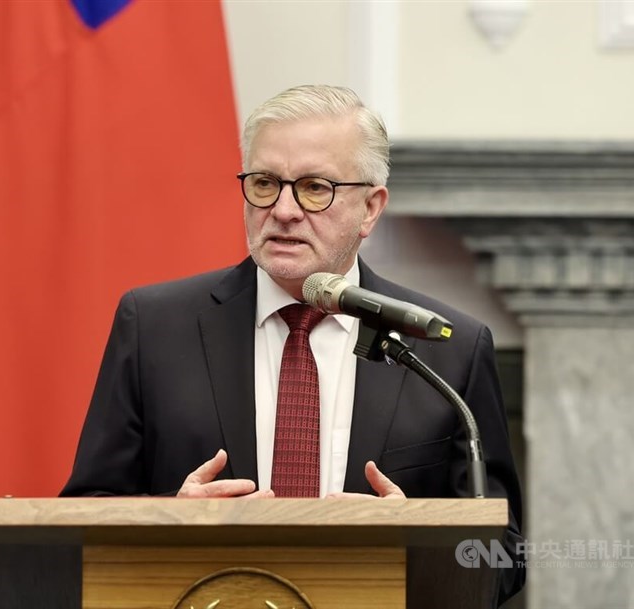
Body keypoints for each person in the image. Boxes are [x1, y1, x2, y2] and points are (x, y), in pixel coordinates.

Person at [61, 84, 525, 603]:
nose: (283, 210)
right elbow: (84, 515)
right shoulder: (154, 326)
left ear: (370, 207)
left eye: (314, 187)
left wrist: (414, 544)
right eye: (264, 183)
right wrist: (168, 519)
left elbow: (503, 558)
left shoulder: (449, 349)